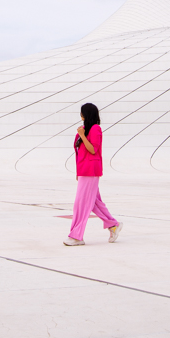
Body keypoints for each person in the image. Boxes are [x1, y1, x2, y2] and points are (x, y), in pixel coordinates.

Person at [64, 102, 122, 246]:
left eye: (82, 112)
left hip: (91, 170)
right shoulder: (83, 129)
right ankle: (113, 224)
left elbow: (93, 149)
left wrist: (82, 136)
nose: (80, 115)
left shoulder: (95, 129)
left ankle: (77, 236)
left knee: (81, 203)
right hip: (84, 170)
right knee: (94, 202)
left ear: (87, 114)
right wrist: (78, 172)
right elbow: (79, 152)